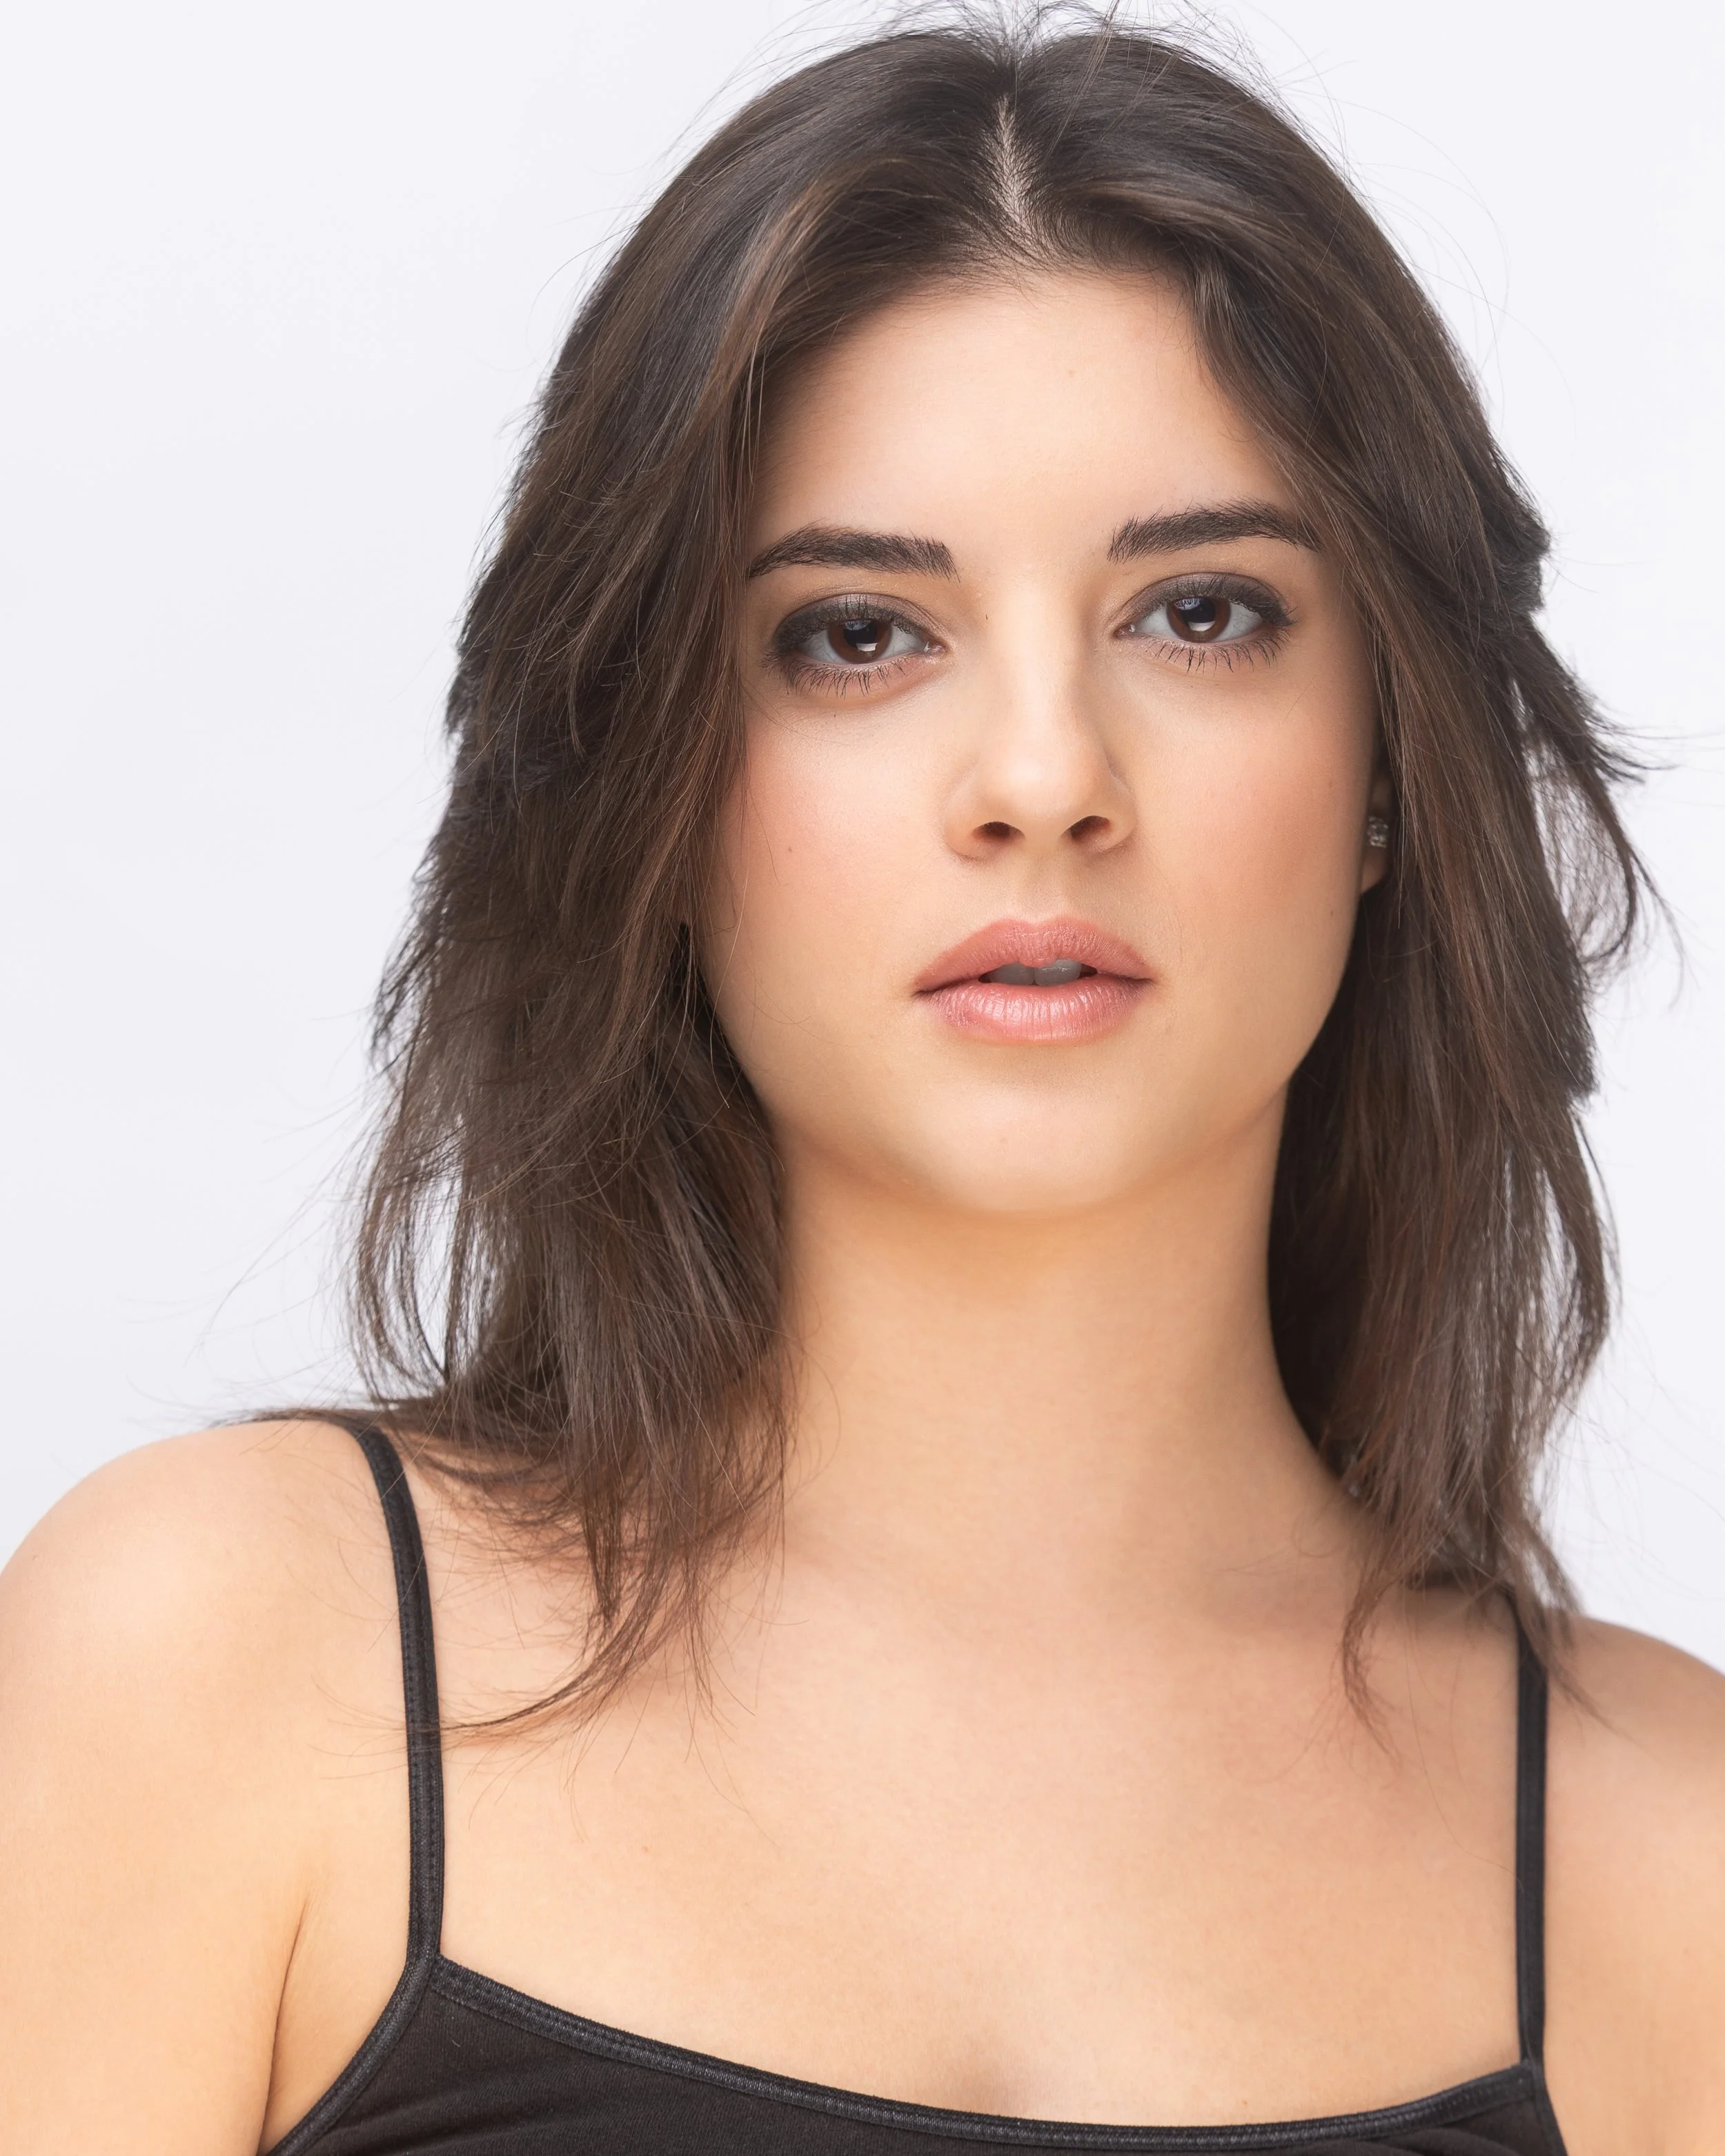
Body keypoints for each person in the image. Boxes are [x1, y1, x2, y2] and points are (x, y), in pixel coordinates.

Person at [1, 17, 1720, 2155]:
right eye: (853, 634)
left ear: (1390, 769)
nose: (1038, 781)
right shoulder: (226, 1658)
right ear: (657, 779)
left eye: (1197, 612)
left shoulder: (1674, 1876)